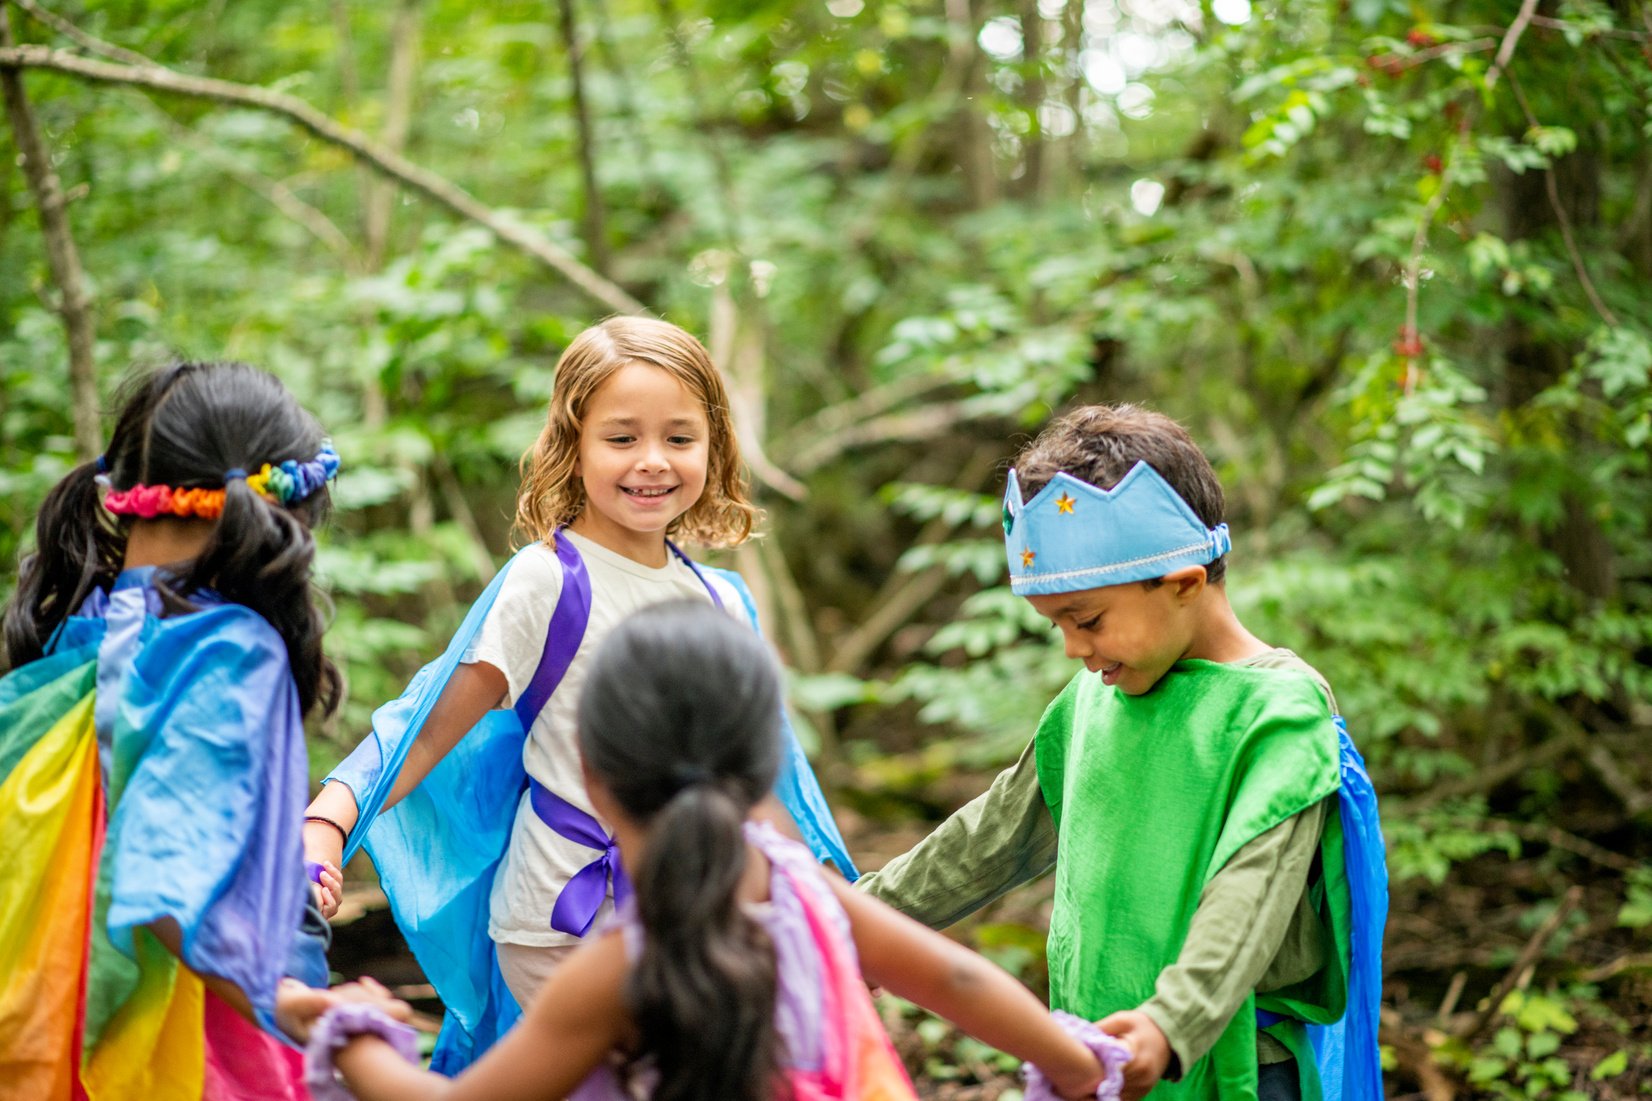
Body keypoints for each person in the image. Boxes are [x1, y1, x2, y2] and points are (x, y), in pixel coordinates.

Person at [302, 317, 857, 1071]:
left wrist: (818, 901)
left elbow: (765, 773)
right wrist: (330, 820)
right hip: (562, 918)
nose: (652, 461)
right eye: (622, 438)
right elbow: (427, 726)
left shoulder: (722, 600)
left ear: (715, 446)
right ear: (573, 444)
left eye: (680, 437)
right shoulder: (548, 579)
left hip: (688, 910)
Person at [301, 602, 1128, 1101]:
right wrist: (1082, 1062)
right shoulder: (802, 893)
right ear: (765, 760)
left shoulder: (615, 971)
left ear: (590, 770)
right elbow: (954, 976)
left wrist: (357, 1032)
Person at [857, 404, 1388, 1101]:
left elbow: (1250, 893)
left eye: (1088, 620)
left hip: (1228, 1068)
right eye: (1058, 626)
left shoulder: (1279, 714)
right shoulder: (1088, 704)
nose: (1074, 649)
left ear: (1183, 583)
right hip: (1099, 1059)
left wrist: (1169, 1024)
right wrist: (842, 918)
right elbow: (984, 841)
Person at [0, 362, 353, 1099]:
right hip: (198, 1041)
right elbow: (161, 880)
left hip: (67, 1020)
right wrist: (289, 1000)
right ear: (288, 509)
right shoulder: (227, 649)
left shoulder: (80, 624)